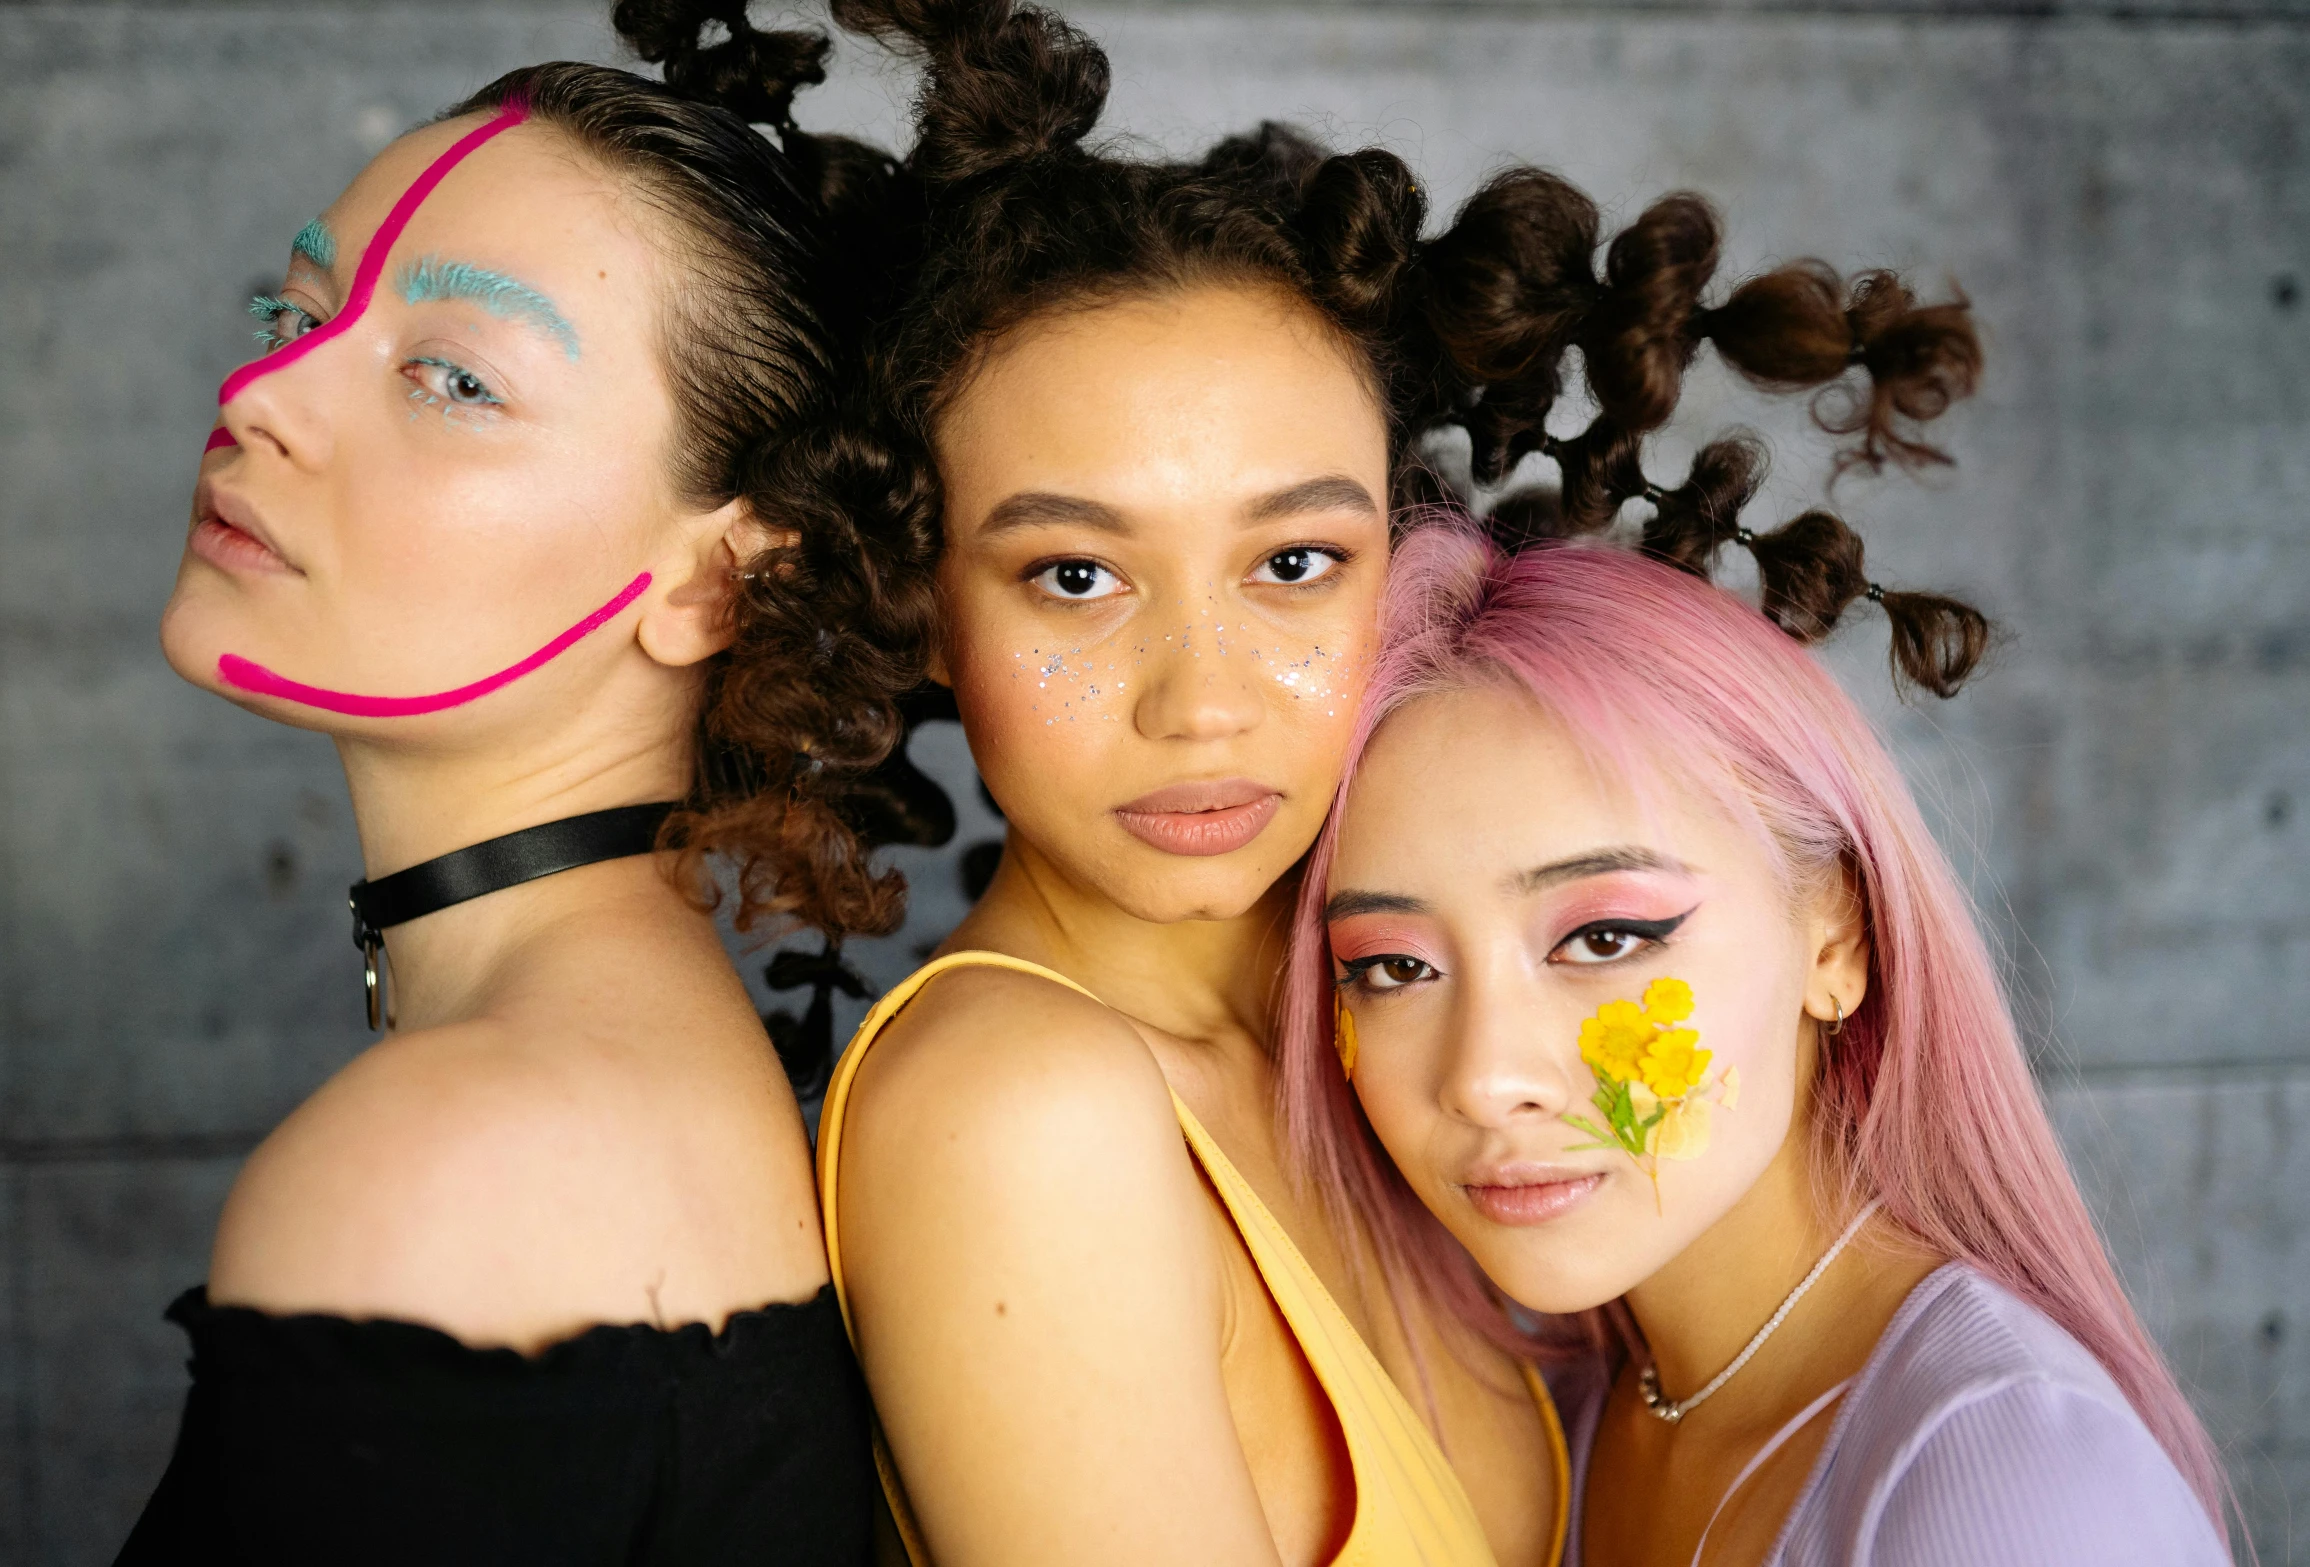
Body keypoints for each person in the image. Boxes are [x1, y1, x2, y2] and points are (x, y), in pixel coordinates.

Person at [805, 0, 1983, 1560]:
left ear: (1405, 562)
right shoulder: (1023, 1108)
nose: (1203, 702)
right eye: (1075, 576)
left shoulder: (1402, 1038)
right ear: (925, 605)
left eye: (1295, 561)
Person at [119, 3, 920, 1558]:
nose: (258, 397)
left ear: (716, 586)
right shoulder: (629, 1064)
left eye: (454, 379)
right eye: (298, 320)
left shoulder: (447, 1165)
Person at [1288, 525, 2235, 1566]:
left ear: (1836, 935)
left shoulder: (2022, 1482)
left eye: (1604, 938)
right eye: (1391, 966)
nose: (1483, 1078)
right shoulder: (1533, 1421)